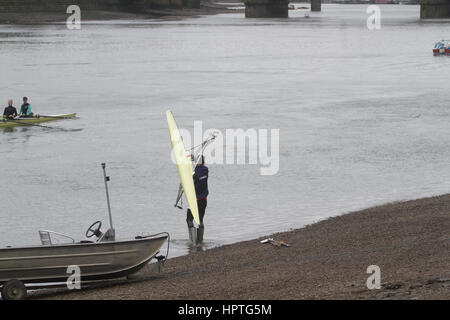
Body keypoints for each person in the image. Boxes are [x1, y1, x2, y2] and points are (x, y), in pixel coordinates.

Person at [186, 155, 209, 244]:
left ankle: (193, 242)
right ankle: (200, 241)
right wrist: (193, 159)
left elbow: (193, 175)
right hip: (203, 200)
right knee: (200, 220)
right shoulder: (205, 170)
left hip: (194, 201)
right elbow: (197, 171)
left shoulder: (193, 172)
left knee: (189, 219)